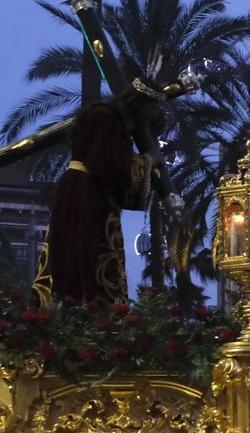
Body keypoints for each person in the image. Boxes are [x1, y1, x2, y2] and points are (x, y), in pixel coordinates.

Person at [36, 80, 166, 306]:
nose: (151, 116)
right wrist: (148, 161)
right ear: (138, 104)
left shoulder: (111, 119)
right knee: (87, 253)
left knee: (88, 252)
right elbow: (110, 164)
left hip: (91, 193)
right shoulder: (103, 118)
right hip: (86, 195)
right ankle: (86, 309)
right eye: (151, 109)